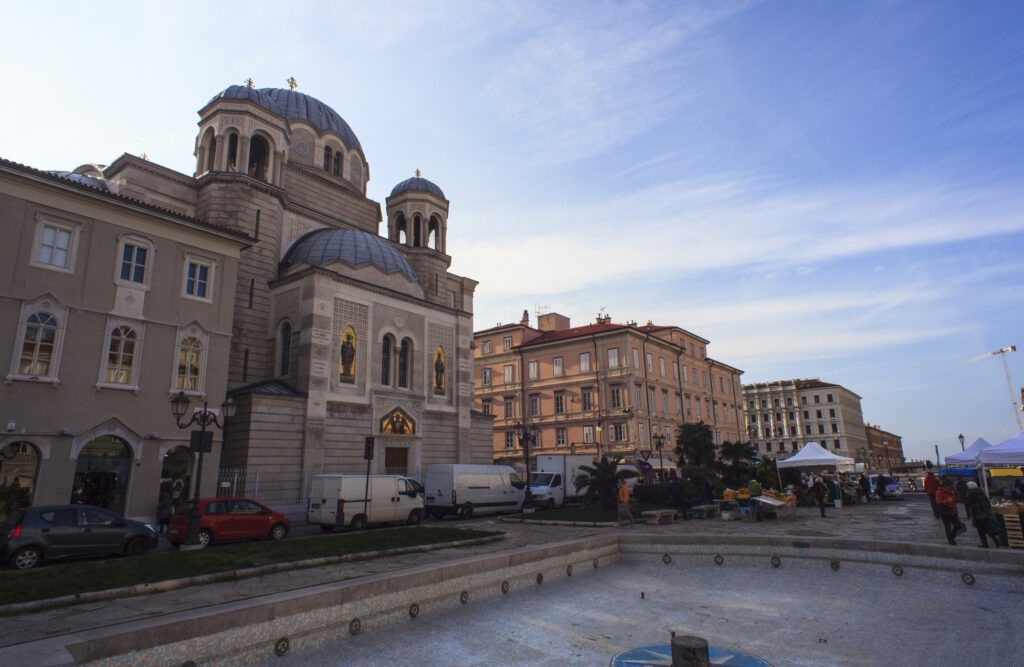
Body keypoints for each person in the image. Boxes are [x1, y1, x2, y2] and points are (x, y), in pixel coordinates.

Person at [964, 481, 1000, 548]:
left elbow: (971, 506)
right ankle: (995, 540)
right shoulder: (982, 493)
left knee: (981, 530)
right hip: (985, 513)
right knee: (987, 528)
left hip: (977, 514)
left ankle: (985, 543)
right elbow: (988, 504)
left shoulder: (970, 495)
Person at [935, 477, 966, 545]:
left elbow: (955, 499)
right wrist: (947, 501)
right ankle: (950, 540)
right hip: (945, 511)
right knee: (947, 526)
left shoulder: (953, 492)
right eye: (949, 487)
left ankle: (952, 536)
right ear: (945, 487)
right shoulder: (939, 492)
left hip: (953, 510)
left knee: (957, 525)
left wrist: (957, 499)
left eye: (951, 487)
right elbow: (938, 502)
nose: (951, 488)